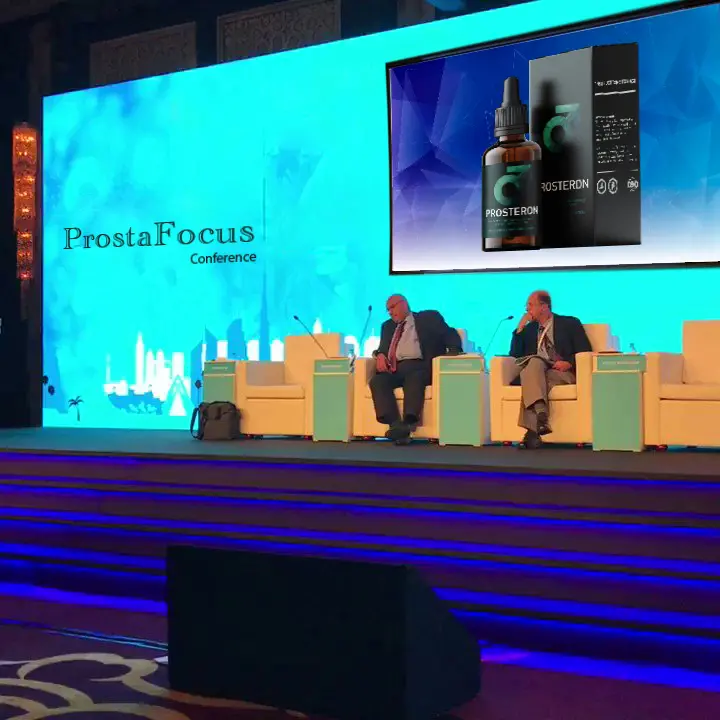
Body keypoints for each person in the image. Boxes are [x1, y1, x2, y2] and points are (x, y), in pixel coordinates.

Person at [370, 294, 462, 444]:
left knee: (415, 377)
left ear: (404, 304)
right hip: (395, 368)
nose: (390, 312)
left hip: (420, 366)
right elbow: (382, 349)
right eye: (388, 310)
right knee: (377, 381)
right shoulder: (387, 326)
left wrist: (454, 349)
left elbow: (449, 333)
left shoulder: (428, 318)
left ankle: (408, 422)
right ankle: (396, 424)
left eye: (392, 307)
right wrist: (379, 354)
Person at [509, 290, 591, 449]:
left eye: (530, 304)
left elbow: (585, 350)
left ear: (544, 306)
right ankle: (540, 417)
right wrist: (520, 327)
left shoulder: (570, 323)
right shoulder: (529, 329)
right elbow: (515, 354)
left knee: (531, 379)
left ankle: (533, 429)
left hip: (562, 371)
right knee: (534, 363)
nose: (527, 309)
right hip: (538, 370)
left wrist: (569, 363)